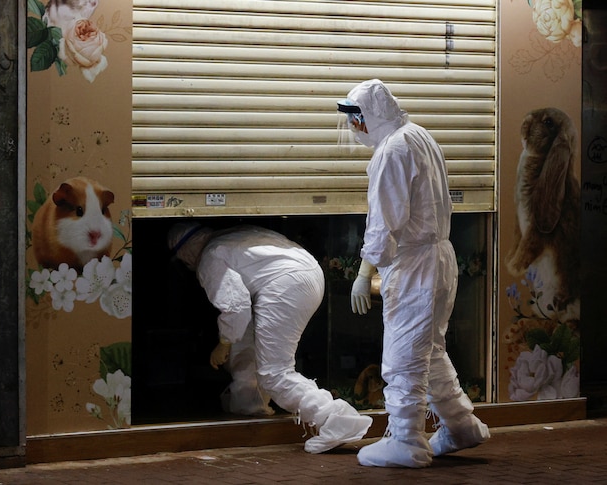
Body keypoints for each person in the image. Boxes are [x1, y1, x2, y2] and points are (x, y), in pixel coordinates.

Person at [340, 79, 490, 468]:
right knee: (430, 351)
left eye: (356, 118)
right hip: (439, 259)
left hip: (414, 267)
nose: (354, 128)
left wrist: (365, 270)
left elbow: (385, 219)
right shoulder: (419, 135)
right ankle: (460, 425)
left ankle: (406, 440)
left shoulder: (392, 150)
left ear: (369, 116)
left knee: (403, 355)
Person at [168, 223, 372, 454]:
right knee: (253, 341)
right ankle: (249, 403)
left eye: (184, 261)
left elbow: (235, 306)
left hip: (284, 285)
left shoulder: (209, 257)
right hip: (309, 274)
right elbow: (243, 320)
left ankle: (335, 420)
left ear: (186, 251)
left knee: (275, 374)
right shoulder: (234, 234)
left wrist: (223, 343)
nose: (187, 266)